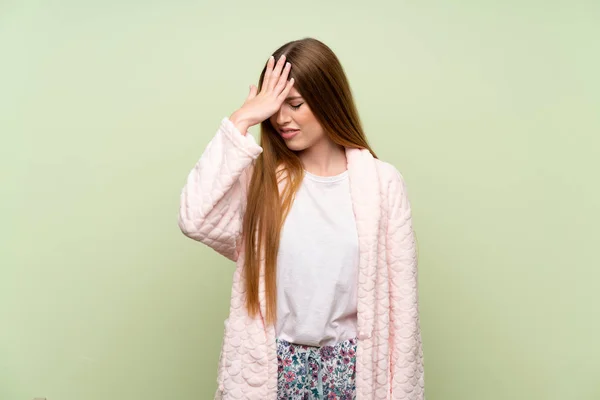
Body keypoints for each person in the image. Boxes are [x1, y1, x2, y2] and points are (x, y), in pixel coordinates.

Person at [178, 37, 424, 400]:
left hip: (353, 372)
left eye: (294, 104)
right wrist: (241, 120)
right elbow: (194, 218)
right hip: (273, 370)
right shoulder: (259, 180)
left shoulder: (382, 184)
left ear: (327, 100)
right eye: (275, 106)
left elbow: (402, 312)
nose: (281, 118)